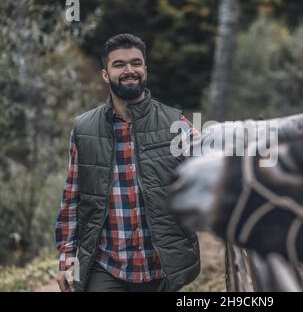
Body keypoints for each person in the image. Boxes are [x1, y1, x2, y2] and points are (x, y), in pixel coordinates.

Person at [55, 33, 200, 292]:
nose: (129, 70)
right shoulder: (84, 129)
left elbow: (211, 175)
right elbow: (72, 198)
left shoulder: (177, 125)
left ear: (146, 70)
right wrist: (67, 259)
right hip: (106, 267)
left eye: (136, 63)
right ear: (105, 74)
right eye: (119, 64)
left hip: (162, 267)